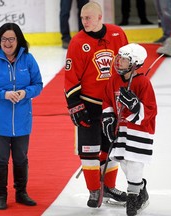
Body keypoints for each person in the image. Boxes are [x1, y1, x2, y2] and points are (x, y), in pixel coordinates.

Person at [64, 1, 129, 208]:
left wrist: (130, 92)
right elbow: (70, 76)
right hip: (88, 104)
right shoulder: (77, 42)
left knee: (110, 147)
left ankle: (108, 187)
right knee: (89, 149)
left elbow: (127, 66)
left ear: (100, 18)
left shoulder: (117, 34)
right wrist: (75, 105)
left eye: (88, 18)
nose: (84, 22)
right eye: (82, 18)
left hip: (112, 103)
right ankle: (94, 190)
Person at [0, 23, 43, 210]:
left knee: (21, 157)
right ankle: (0, 195)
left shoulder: (28, 60)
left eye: (11, 39)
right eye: (4, 39)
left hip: (22, 119)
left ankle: (21, 192)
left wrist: (26, 92)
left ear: (18, 40)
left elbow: (38, 84)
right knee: (0, 159)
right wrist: (4, 94)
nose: (7, 42)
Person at [102, 43, 157, 216]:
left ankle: (133, 199)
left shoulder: (143, 82)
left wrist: (135, 106)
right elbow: (107, 101)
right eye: (119, 58)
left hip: (138, 131)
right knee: (123, 161)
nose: (118, 61)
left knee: (134, 164)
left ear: (135, 63)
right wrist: (108, 117)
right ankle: (141, 189)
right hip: (121, 130)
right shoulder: (114, 80)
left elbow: (150, 109)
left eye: (124, 59)